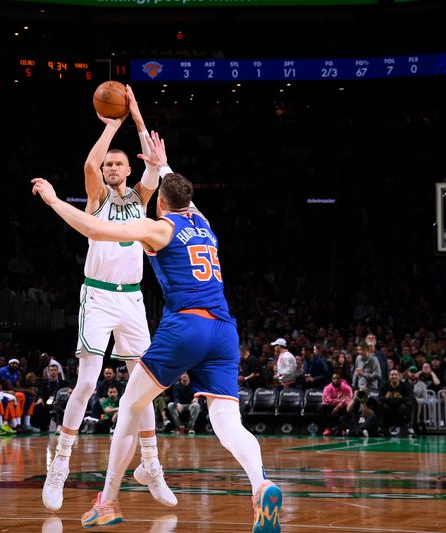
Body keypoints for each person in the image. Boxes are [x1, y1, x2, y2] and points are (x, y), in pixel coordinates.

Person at [31, 132, 281, 532]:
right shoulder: (203, 221)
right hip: (224, 328)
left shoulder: (157, 227)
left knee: (130, 405)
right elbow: (172, 184)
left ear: (159, 201)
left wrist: (54, 201)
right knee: (227, 421)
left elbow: (94, 231)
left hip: (187, 324)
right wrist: (162, 163)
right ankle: (261, 484)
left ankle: (108, 499)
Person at [42, 86, 174, 513]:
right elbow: (88, 163)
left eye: (119, 162)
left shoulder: (142, 197)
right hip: (97, 297)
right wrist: (111, 127)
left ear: (126, 169)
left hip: (133, 301)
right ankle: (59, 464)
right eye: (109, 164)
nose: (113, 167)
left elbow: (154, 164)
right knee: (85, 381)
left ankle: (151, 465)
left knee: (145, 386)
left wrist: (135, 117)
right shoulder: (96, 198)